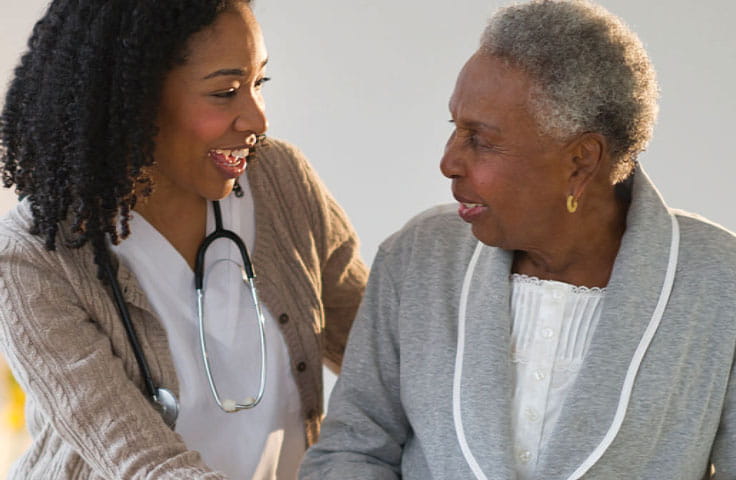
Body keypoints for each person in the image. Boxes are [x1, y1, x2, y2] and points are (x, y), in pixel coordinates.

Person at [298, 1, 736, 479]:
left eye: (480, 139)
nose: (448, 161)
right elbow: (350, 452)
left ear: (581, 160)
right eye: (454, 128)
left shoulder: (719, 281)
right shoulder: (419, 257)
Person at [0, 0, 367, 478]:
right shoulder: (30, 260)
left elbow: (385, 361)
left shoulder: (281, 182)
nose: (257, 120)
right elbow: (144, 464)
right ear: (131, 97)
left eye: (259, 84)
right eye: (226, 91)